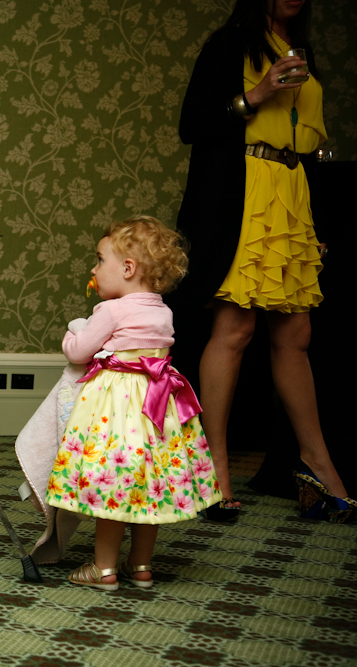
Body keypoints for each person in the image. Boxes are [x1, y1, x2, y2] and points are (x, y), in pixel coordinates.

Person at [171, 0, 353, 523]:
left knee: (296, 337)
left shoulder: (303, 50)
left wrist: (311, 227)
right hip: (244, 193)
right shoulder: (230, 44)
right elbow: (194, 125)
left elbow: (308, 139)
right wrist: (259, 92)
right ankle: (216, 470)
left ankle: (318, 467)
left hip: (293, 195)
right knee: (236, 330)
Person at [46, 217, 220, 590]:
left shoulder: (110, 311)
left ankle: (103, 568)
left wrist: (74, 329)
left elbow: (79, 353)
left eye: (99, 260)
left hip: (119, 405)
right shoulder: (162, 310)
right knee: (147, 483)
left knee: (117, 484)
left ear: (127, 269)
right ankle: (140, 565)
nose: (93, 269)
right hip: (158, 404)